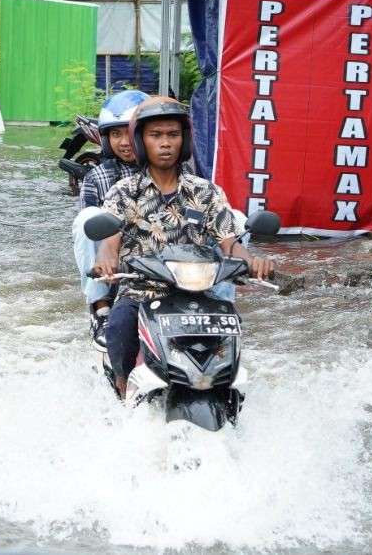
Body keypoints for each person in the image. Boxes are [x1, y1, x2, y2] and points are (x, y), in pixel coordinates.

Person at [94, 97, 273, 398]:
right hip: (142, 292)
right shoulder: (124, 192)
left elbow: (230, 241)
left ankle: (227, 394)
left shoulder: (206, 192)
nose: (165, 143)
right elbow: (108, 243)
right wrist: (106, 261)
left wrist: (252, 261)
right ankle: (123, 390)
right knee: (120, 325)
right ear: (141, 142)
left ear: (184, 140)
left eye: (172, 135)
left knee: (231, 326)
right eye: (156, 135)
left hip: (197, 294)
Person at [71, 89, 149, 350]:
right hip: (114, 260)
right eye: (116, 134)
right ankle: (101, 310)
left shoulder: (174, 169)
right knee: (88, 218)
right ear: (106, 139)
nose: (124, 142)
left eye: (129, 132)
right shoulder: (97, 178)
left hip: (164, 255)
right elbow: (90, 229)